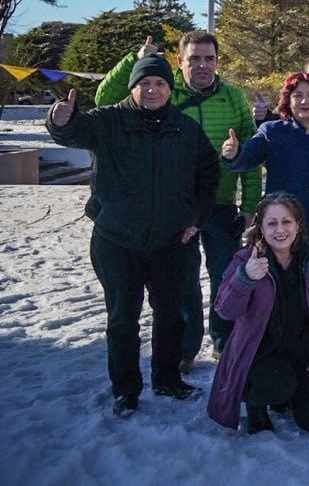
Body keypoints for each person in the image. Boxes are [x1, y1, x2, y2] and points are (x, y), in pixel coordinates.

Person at [47, 59, 220, 416]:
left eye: (160, 83)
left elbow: (208, 174)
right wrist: (59, 120)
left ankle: (167, 378)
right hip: (117, 239)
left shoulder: (185, 128)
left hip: (171, 241)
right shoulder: (109, 120)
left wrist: (196, 218)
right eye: (145, 83)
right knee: (122, 317)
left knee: (171, 315)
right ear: (133, 87)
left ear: (170, 88)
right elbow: (74, 132)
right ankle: (125, 389)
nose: (152, 89)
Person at [95, 31, 259, 368]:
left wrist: (250, 206)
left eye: (209, 58)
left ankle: (224, 340)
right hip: (174, 208)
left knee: (225, 276)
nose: (202, 65)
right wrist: (135, 60)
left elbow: (251, 155)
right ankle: (185, 348)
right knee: (183, 281)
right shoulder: (163, 91)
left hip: (221, 204)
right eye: (194, 58)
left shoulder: (233, 98)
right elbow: (105, 98)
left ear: (217, 61)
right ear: (180, 61)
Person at [207, 193, 309, 434]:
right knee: (276, 382)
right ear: (261, 227)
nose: (280, 230)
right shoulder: (246, 259)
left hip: (304, 351)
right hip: (261, 354)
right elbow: (225, 310)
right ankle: (256, 404)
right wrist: (245, 278)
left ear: (298, 224)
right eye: (272, 223)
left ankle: (292, 395)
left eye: (287, 221)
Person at [220, 72, 309, 281]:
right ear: (288, 100)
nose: (305, 101)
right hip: (283, 229)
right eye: (298, 95)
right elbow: (248, 157)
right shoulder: (272, 131)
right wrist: (234, 153)